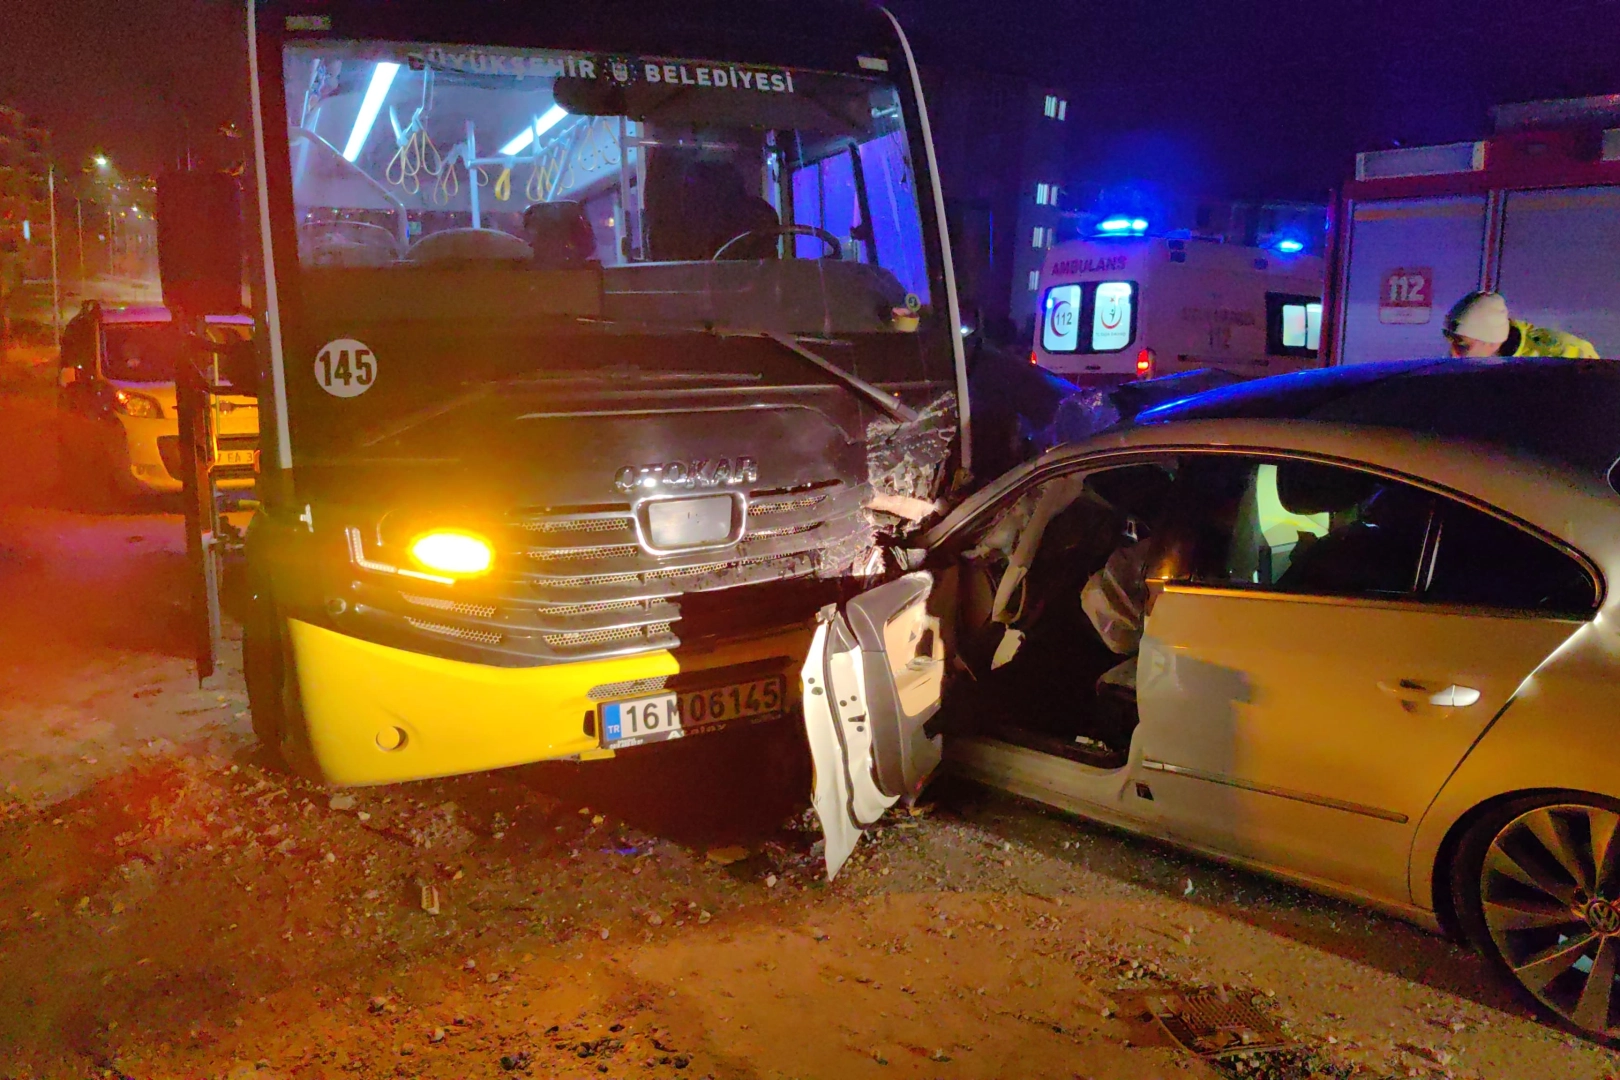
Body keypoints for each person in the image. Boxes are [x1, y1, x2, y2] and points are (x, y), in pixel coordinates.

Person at [1443, 291, 1599, 359]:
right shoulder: (1469, 368)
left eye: (1462, 345)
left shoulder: (1565, 355)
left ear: (1492, 341)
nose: (1452, 354)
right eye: (1450, 341)